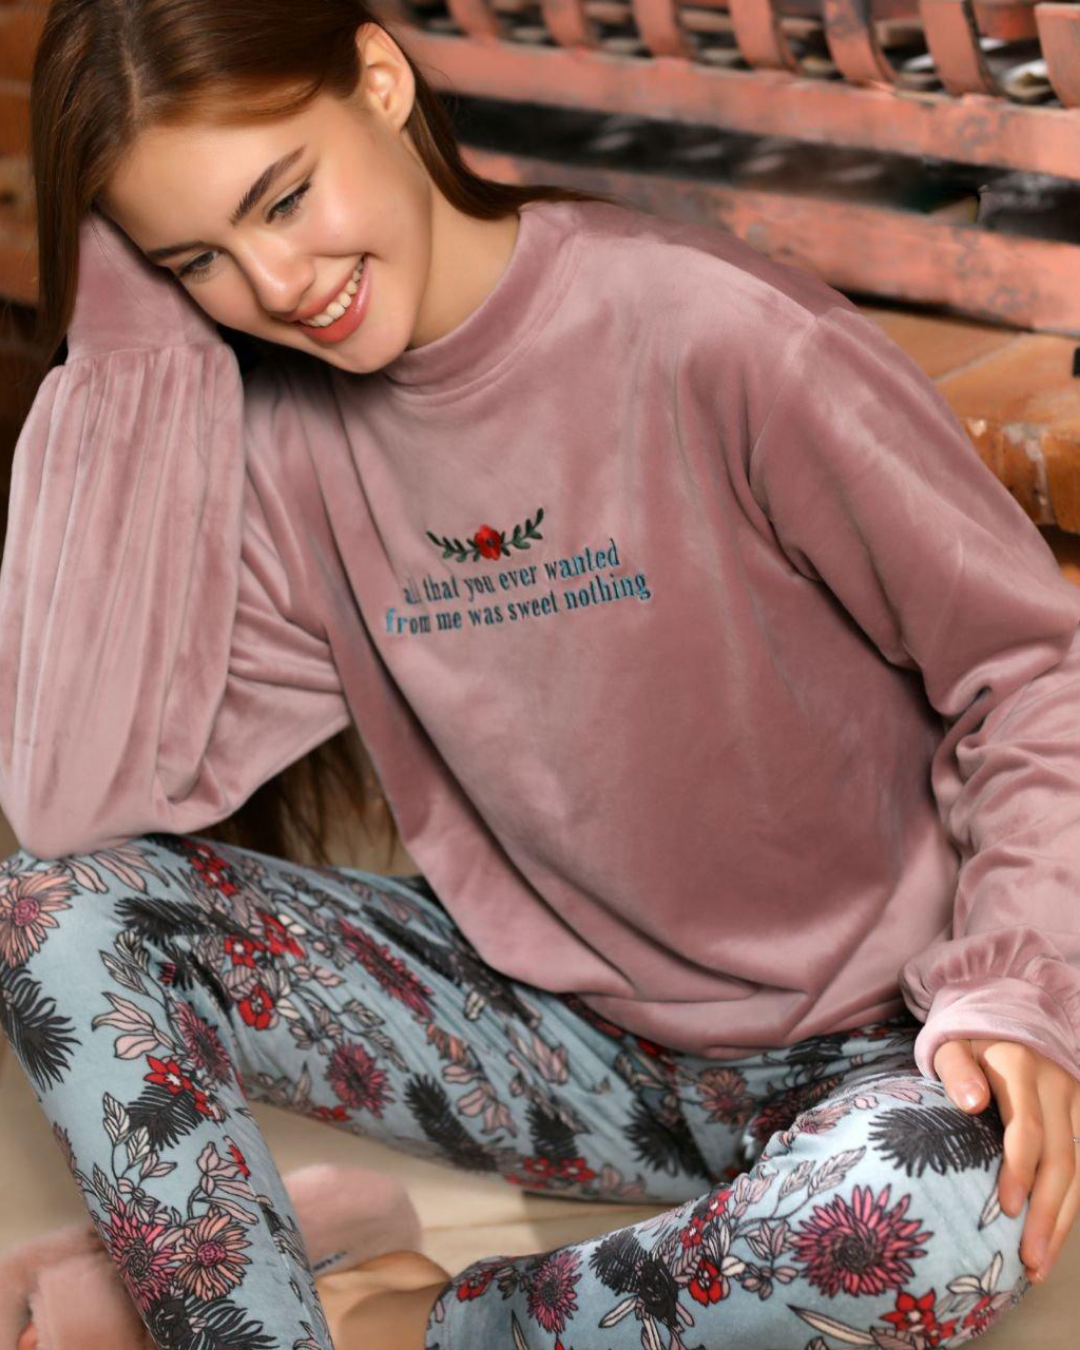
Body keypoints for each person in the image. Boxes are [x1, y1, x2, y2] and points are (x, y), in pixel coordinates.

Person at [2, 2, 1080, 1348]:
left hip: (876, 1039)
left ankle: (394, 1317)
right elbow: (72, 804)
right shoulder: (285, 448)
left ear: (380, 80)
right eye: (198, 257)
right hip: (563, 1046)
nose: (275, 283)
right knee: (55, 909)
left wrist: (1014, 982)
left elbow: (1035, 668)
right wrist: (127, 356)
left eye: (282, 197)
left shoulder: (719, 334)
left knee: (941, 1215)